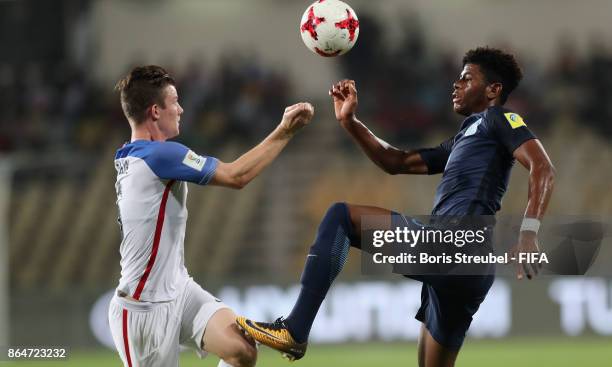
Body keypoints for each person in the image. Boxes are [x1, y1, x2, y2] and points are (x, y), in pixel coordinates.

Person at [236, 47, 555, 367]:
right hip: (465, 266)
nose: (456, 84)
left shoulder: (500, 119)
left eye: (467, 79)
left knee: (341, 217)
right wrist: (350, 122)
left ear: (493, 90)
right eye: (458, 78)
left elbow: (543, 168)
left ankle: (295, 328)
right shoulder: (465, 136)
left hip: (455, 245)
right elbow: (397, 161)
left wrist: (529, 232)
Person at [107, 65, 314, 367]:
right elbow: (236, 175)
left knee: (241, 349)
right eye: (174, 101)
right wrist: (286, 131)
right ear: (154, 111)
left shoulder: (129, 154)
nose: (180, 108)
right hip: (142, 310)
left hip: (179, 289)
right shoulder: (160, 155)